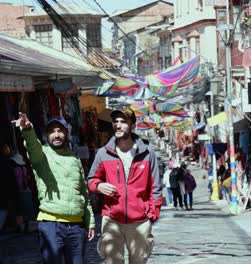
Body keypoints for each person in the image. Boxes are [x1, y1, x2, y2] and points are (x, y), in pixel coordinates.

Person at [15, 113, 95, 263]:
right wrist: (27, 129)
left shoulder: (75, 159)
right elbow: (32, 145)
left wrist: (89, 221)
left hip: (77, 227)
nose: (56, 135)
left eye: (60, 131)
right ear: (46, 135)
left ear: (66, 133)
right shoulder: (41, 155)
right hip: (51, 225)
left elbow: (83, 193)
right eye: (52, 131)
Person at [87, 107, 162, 263]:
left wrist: (151, 214)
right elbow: (91, 180)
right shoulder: (103, 153)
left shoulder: (147, 152)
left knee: (138, 261)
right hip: (112, 219)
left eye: (123, 122)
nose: (118, 125)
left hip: (140, 220)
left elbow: (155, 187)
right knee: (113, 261)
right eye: (115, 122)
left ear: (133, 125)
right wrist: (99, 186)